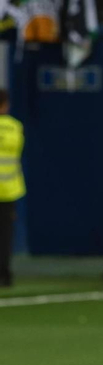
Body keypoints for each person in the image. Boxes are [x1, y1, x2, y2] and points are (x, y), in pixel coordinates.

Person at [0, 88, 22, 287]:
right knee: (5, 236)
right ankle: (5, 275)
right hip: (9, 189)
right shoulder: (15, 127)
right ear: (6, 105)